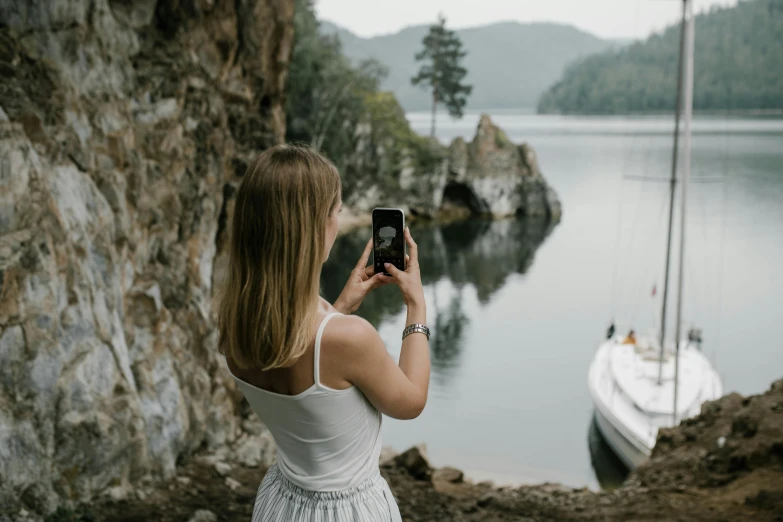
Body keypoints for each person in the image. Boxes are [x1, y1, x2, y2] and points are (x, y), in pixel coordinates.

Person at [217, 144, 430, 522]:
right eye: (337, 211)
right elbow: (410, 402)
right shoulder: (349, 340)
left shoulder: (235, 321)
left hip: (282, 503)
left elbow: (300, 354)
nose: (339, 220)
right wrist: (416, 305)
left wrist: (339, 307)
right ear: (314, 227)